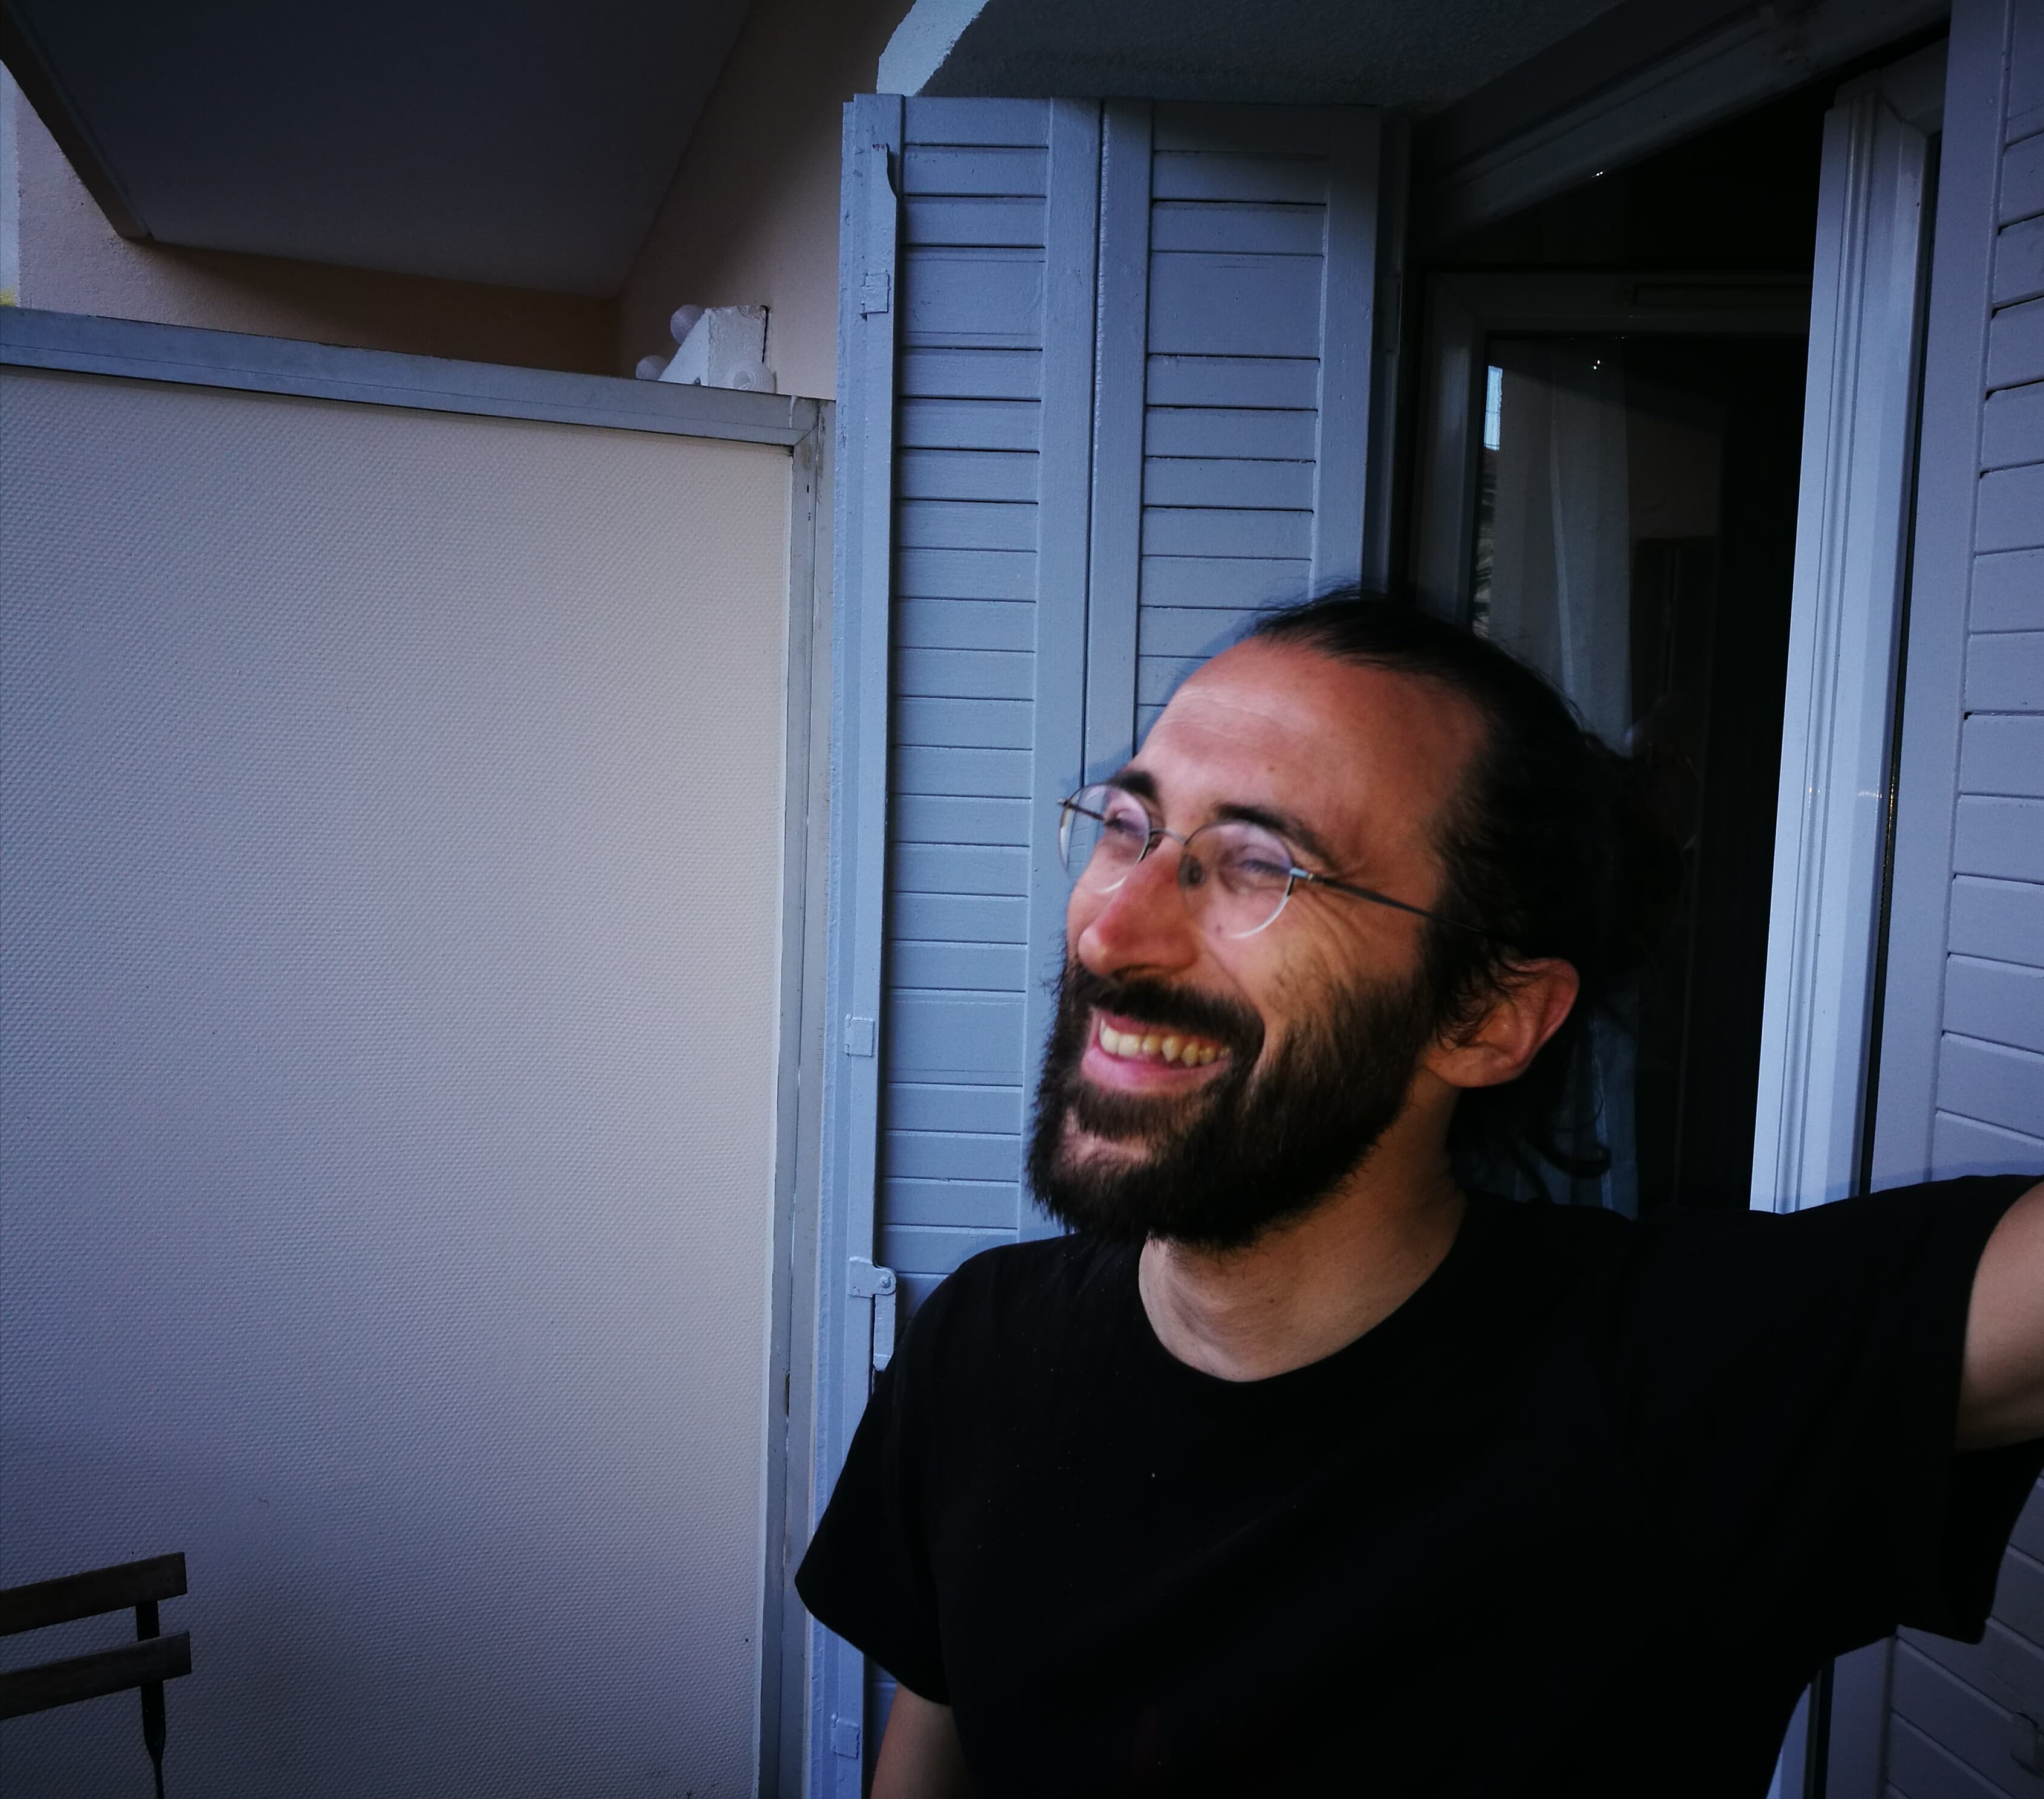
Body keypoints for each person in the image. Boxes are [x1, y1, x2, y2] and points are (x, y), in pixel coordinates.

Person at [796, 591, 2044, 1797]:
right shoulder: (979, 1346)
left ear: (1486, 1017)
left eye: (1259, 863)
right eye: (1127, 826)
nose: (1109, 931)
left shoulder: (1665, 1383)